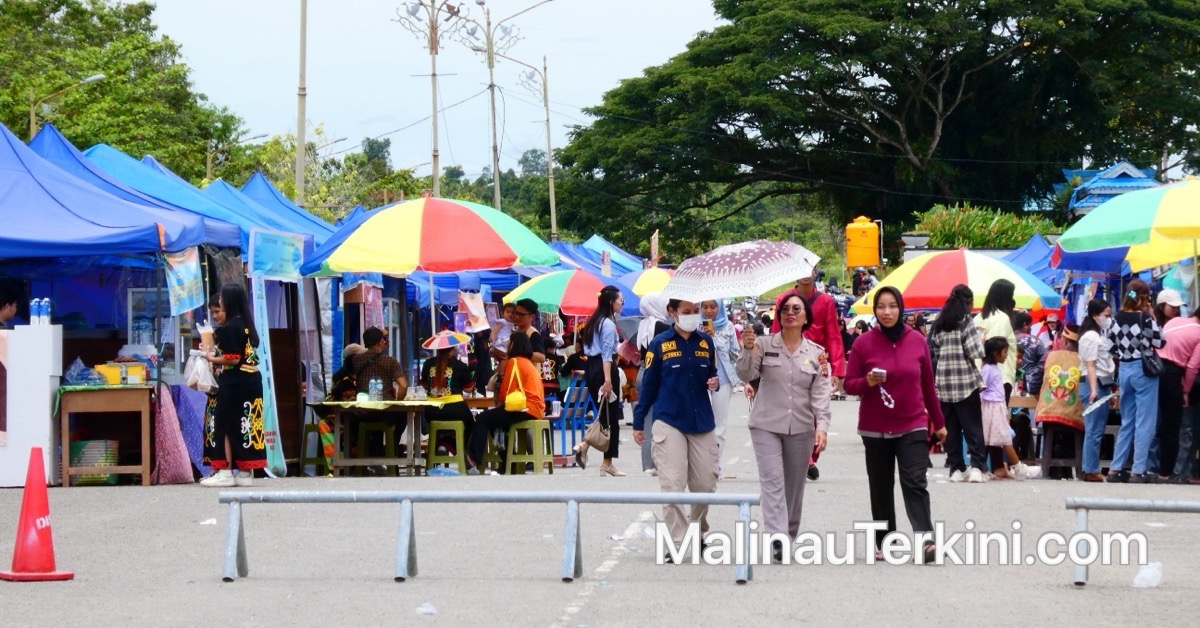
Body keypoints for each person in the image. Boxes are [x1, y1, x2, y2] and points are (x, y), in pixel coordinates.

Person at [844, 287, 946, 562]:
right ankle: (885, 540)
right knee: (880, 484)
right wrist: (868, 382)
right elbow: (848, 385)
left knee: (914, 480)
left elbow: (927, 385)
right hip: (874, 427)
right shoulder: (863, 343)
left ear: (901, 309)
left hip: (912, 424)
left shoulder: (917, 341)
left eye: (892, 306)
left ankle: (926, 541)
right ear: (875, 310)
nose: (886, 312)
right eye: (881, 307)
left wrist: (939, 421)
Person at [736, 292, 830, 563]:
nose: (790, 312)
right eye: (785, 309)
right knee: (772, 482)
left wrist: (822, 426)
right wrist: (747, 348)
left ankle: (788, 533)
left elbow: (821, 392)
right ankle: (777, 539)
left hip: (801, 427)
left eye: (796, 309)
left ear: (805, 317)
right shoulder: (763, 344)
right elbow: (745, 374)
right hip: (765, 424)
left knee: (794, 486)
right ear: (778, 316)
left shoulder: (817, 354)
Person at [632, 298, 720, 559]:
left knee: (705, 484)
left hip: (701, 420)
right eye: (686, 312)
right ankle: (677, 541)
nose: (692, 316)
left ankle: (700, 530)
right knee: (672, 483)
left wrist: (713, 381)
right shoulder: (659, 344)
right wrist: (639, 423)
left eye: (696, 311)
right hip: (669, 420)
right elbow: (648, 386)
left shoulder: (707, 342)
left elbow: (711, 374)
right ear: (672, 313)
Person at [771, 267, 844, 480]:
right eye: (800, 269)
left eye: (809, 269)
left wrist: (837, 370)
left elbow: (833, 334)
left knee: (815, 409)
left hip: (816, 362)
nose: (804, 273)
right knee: (792, 407)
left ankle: (807, 457)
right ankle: (806, 460)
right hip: (788, 359)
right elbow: (776, 331)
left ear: (815, 273)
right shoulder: (783, 299)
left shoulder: (826, 301)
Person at [200, 283, 266, 487]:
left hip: (235, 381)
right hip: (252, 380)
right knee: (245, 424)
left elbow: (232, 359)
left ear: (230, 301)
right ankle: (245, 472)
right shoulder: (247, 325)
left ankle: (225, 471)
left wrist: (208, 356)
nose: (220, 304)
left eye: (221, 302)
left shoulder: (229, 327)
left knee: (225, 424)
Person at [927, 284, 987, 483]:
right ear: (968, 302)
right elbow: (973, 351)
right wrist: (982, 343)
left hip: (944, 383)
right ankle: (977, 467)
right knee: (972, 427)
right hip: (965, 383)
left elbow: (934, 347)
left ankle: (956, 468)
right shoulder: (966, 320)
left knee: (951, 428)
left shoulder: (940, 321)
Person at [1108, 279, 1164, 483]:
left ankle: (1115, 468)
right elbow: (1160, 341)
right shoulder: (1145, 318)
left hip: (1124, 369)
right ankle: (1138, 469)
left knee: (1127, 421)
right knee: (1145, 421)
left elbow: (1110, 347)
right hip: (1143, 369)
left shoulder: (1116, 318)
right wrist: (1152, 316)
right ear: (1144, 298)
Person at [467, 331, 544, 474]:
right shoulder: (527, 363)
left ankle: (473, 459)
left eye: (509, 342)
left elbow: (505, 392)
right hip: (534, 408)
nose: (507, 345)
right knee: (495, 422)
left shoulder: (514, 362)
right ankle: (509, 462)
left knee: (483, 419)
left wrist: (497, 408)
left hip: (524, 408)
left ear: (514, 344)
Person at [573, 286, 625, 475]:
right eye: (620, 300)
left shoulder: (593, 322)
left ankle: (590, 448)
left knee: (604, 414)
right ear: (611, 302)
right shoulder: (608, 324)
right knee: (611, 416)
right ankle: (605, 460)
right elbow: (606, 354)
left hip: (592, 368)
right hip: (604, 368)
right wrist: (608, 379)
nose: (622, 304)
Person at [980, 337, 1039, 479]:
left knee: (993, 439)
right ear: (996, 353)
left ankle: (996, 468)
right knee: (1004, 438)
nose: (1007, 355)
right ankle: (1019, 467)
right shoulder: (988, 369)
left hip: (997, 406)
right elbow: (981, 387)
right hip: (992, 407)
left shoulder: (994, 368)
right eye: (1005, 352)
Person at [1158, 300, 1200, 483]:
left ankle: (1151, 467)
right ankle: (1169, 472)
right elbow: (1192, 367)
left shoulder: (1174, 321)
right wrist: (1186, 390)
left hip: (1153, 370)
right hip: (1173, 375)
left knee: (1156, 422)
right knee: (1174, 425)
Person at [702, 299, 742, 478]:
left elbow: (736, 354)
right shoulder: (695, 327)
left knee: (720, 424)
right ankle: (700, 464)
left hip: (723, 379)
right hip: (700, 379)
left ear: (720, 308)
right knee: (702, 422)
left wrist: (715, 339)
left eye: (713, 306)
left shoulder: (728, 327)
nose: (709, 311)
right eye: (705, 307)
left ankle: (714, 465)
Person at [1078, 299, 1117, 482]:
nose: (1108, 319)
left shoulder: (1098, 336)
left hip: (1102, 384)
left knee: (1097, 429)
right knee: (1093, 428)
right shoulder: (1090, 337)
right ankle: (1090, 469)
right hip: (1093, 384)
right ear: (1095, 315)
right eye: (1106, 315)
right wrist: (1094, 390)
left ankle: (1091, 467)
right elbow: (1091, 365)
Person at [420, 335, 476, 452]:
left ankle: (442, 443)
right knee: (472, 426)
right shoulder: (460, 366)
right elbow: (468, 389)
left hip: (431, 412)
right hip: (455, 410)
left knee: (439, 428)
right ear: (453, 348)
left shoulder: (428, 364)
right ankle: (448, 444)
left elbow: (425, 385)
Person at [636, 292, 671, 476]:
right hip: (656, 375)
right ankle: (657, 463)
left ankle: (647, 465)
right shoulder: (662, 326)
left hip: (642, 372)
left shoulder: (643, 324)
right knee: (659, 420)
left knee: (647, 420)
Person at [1014, 312, 1045, 397]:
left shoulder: (1008, 340)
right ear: (1025, 325)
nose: (1031, 329)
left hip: (1012, 384)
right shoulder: (1036, 341)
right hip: (1032, 386)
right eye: (1030, 325)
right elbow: (1044, 362)